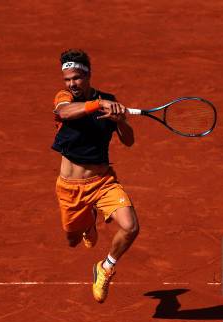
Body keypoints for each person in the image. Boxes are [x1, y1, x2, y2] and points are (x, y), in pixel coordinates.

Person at [52, 49, 139, 303]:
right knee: (71, 240)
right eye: (67, 79)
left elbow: (129, 141)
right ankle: (88, 221)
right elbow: (66, 113)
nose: (72, 84)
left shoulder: (109, 101)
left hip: (102, 182)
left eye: (76, 78)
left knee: (131, 227)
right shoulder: (64, 98)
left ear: (87, 76)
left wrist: (120, 120)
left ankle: (105, 267)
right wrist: (98, 104)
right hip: (70, 187)